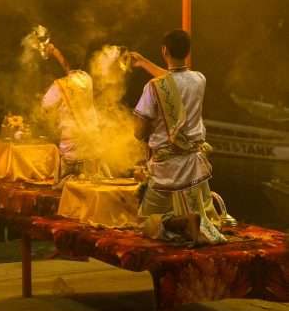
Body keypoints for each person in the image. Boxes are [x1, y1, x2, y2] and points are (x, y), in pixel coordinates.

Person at [130, 29, 226, 245]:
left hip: (166, 170)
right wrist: (144, 63)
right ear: (188, 51)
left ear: (164, 51)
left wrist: (144, 131)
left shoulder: (153, 88)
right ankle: (194, 224)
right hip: (193, 167)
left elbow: (140, 131)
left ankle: (181, 223)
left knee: (145, 222)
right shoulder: (199, 80)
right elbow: (172, 81)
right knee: (203, 216)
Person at [41, 41, 107, 179]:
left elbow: (46, 105)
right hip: (91, 148)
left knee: (66, 191)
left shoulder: (60, 85)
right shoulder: (86, 79)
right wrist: (56, 53)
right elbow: (70, 69)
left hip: (71, 151)